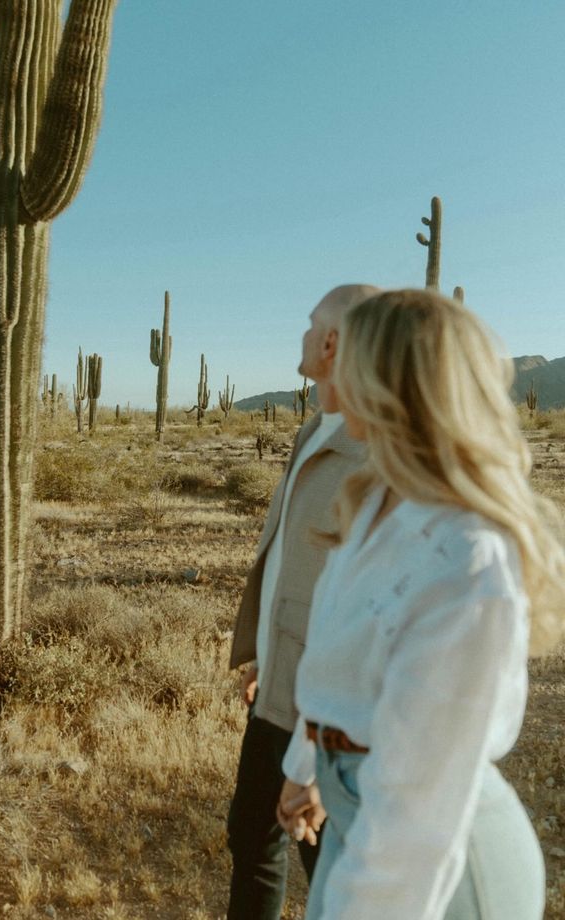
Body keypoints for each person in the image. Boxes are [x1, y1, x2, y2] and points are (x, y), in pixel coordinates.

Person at [277, 288, 565, 919]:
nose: (329, 363)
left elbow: (419, 814)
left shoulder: (467, 562)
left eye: (349, 352)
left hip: (441, 864)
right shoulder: (377, 503)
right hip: (359, 812)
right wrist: (307, 766)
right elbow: (335, 662)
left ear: (391, 380)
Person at [226, 283, 380, 919]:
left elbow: (363, 619)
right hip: (283, 684)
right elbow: (294, 566)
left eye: (310, 322)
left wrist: (315, 757)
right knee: (251, 835)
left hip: (329, 710)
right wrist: (264, 652)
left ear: (332, 342)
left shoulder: (372, 460)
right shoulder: (315, 431)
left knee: (330, 864)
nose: (301, 332)